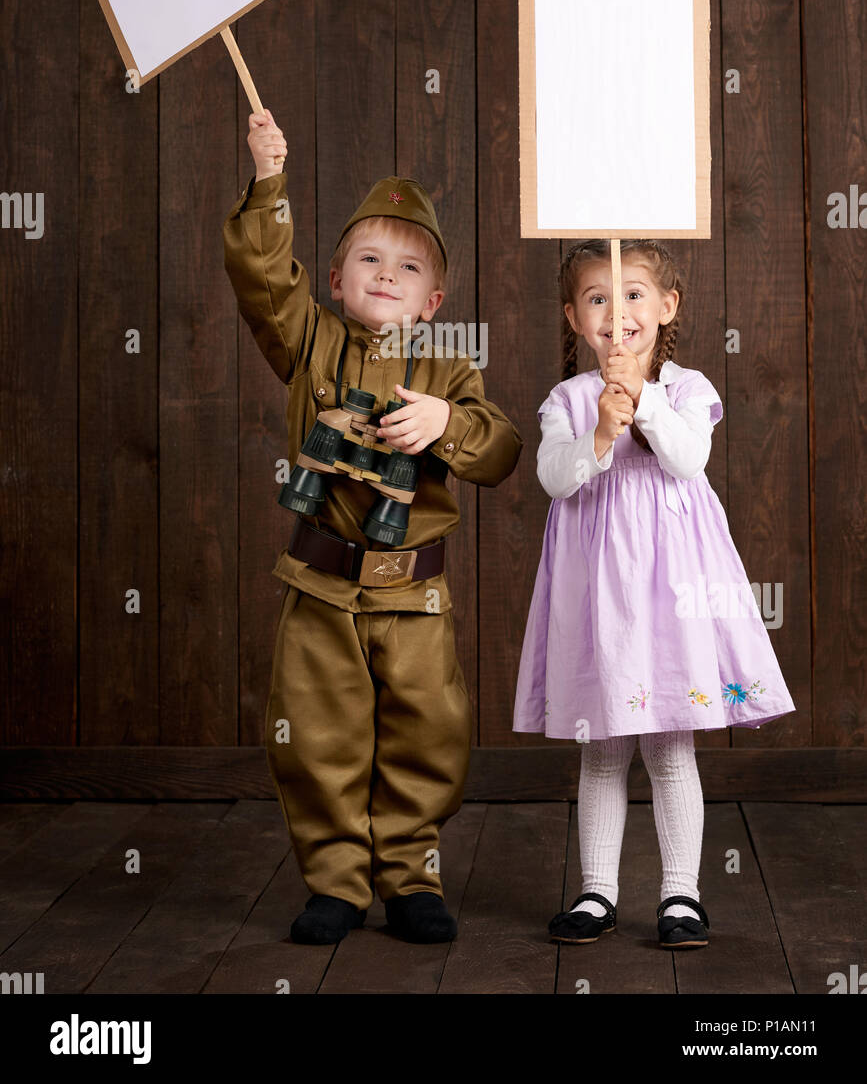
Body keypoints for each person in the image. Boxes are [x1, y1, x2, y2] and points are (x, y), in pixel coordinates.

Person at [223, 109, 522, 946]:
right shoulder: (307, 340)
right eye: (367, 259)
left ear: (432, 301)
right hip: (319, 587)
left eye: (406, 266)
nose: (384, 274)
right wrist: (267, 178)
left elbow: (500, 452)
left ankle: (409, 874)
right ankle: (335, 882)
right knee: (318, 734)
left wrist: (444, 424)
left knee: (429, 734)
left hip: (413, 596)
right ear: (333, 275)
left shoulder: (450, 371)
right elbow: (259, 278)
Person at [512, 239, 795, 949]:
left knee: (669, 747)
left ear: (665, 306)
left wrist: (640, 403)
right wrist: (599, 433)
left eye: (634, 294)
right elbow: (555, 477)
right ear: (574, 316)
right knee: (601, 747)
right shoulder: (569, 400)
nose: (617, 312)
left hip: (672, 593)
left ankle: (679, 896)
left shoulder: (688, 389)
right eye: (598, 298)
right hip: (601, 594)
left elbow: (686, 457)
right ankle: (595, 893)